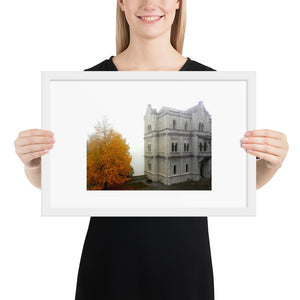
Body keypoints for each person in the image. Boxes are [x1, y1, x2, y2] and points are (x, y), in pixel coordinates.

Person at [14, 0, 289, 299]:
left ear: (178, 3)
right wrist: (33, 164)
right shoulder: (83, 85)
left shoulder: (216, 84)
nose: (149, 3)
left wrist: (271, 163)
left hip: (184, 264)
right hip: (109, 263)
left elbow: (237, 185)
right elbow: (60, 186)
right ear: (120, 2)